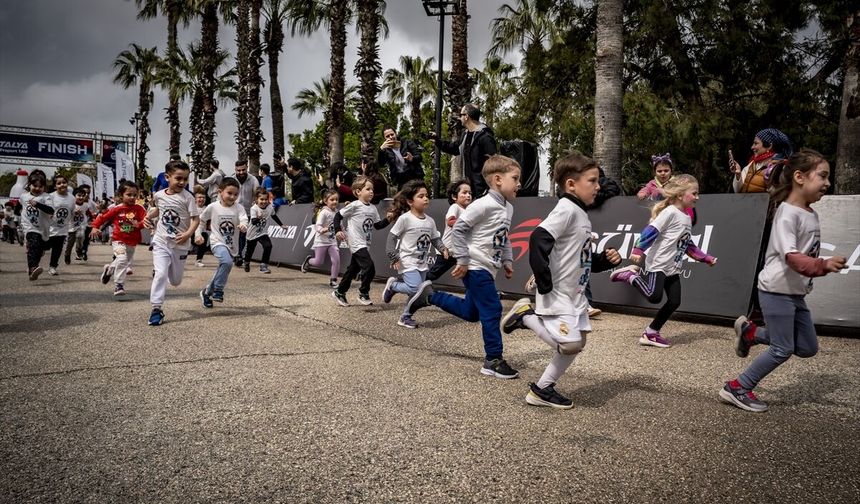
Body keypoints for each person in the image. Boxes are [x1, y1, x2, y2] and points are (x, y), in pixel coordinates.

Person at [720, 149, 847, 413]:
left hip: (794, 292)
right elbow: (792, 258)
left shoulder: (810, 213)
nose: (827, 183)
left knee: (807, 347)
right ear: (799, 177)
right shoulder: (787, 213)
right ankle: (737, 387)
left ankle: (750, 332)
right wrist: (822, 265)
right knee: (782, 348)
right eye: (822, 176)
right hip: (776, 290)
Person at [501, 153, 622, 409]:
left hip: (575, 294)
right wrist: (545, 282)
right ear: (571, 184)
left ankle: (542, 389)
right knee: (571, 343)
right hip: (558, 293)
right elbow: (538, 239)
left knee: (577, 344)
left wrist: (605, 261)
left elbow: (580, 259)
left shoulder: (581, 214)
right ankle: (525, 316)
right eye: (592, 181)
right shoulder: (566, 209)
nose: (598, 186)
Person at [405, 155, 521, 379]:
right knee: (493, 310)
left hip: (489, 267)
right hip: (476, 266)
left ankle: (430, 296)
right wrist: (464, 261)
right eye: (515, 178)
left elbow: (503, 238)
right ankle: (493, 360)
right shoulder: (482, 205)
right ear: (497, 179)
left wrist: (507, 260)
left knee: (471, 313)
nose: (519, 184)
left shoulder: (509, 209)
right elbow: (458, 231)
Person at [609, 174, 718, 348]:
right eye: (694, 193)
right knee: (654, 296)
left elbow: (687, 243)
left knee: (674, 301)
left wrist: (705, 257)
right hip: (659, 263)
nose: (697, 197)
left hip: (672, 266)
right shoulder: (669, 212)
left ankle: (651, 333)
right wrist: (639, 249)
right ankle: (629, 275)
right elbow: (651, 230)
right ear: (680, 195)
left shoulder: (687, 217)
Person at [381, 180, 447, 329]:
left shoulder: (430, 221)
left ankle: (405, 317)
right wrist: (393, 256)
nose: (426, 199)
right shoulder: (405, 219)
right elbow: (391, 238)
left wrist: (442, 248)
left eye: (427, 196)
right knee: (415, 288)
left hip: (422, 263)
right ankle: (393, 286)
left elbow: (434, 238)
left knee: (417, 294)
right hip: (407, 261)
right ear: (410, 201)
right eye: (421, 196)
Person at [143, 159, 200, 326]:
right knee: (160, 274)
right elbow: (159, 210)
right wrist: (147, 217)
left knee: (175, 281)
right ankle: (156, 308)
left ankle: (163, 272)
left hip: (180, 245)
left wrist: (188, 234)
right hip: (161, 241)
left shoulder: (188, 198)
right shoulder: (159, 195)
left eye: (185, 179)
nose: (182, 182)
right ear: (167, 177)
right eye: (178, 178)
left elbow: (196, 219)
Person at [330, 176, 390, 307]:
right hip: (356, 242)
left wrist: (389, 219)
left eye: (372, 189)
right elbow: (338, 215)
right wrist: (337, 230)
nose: (371, 192)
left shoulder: (373, 208)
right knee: (370, 268)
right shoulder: (354, 205)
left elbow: (377, 226)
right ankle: (363, 293)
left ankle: (340, 291)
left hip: (365, 243)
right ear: (358, 192)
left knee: (352, 270)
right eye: (368, 189)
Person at [196, 178, 248, 308]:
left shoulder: (239, 207)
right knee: (227, 262)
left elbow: (244, 219)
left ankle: (207, 292)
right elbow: (201, 221)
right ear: (220, 192)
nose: (232, 197)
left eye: (236, 194)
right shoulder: (213, 207)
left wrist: (243, 225)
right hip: (217, 241)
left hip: (231, 245)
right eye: (229, 193)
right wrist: (198, 234)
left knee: (224, 268)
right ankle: (218, 290)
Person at [90, 180, 147, 296]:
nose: (132, 197)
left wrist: (139, 224)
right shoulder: (117, 209)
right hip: (118, 240)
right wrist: (95, 227)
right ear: (121, 195)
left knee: (124, 261)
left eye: (135, 195)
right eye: (129, 195)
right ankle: (118, 285)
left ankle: (109, 269)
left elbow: (145, 220)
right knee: (121, 259)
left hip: (132, 241)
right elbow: (102, 217)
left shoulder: (139, 209)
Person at [431, 103, 497, 196]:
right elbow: (455, 148)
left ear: (466, 116)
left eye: (461, 115)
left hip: (482, 189)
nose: (459, 118)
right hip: (468, 187)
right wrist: (438, 141)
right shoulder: (465, 135)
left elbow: (494, 162)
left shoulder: (485, 136)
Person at [426, 179, 471, 282]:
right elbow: (450, 221)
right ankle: (416, 288)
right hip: (448, 251)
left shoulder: (469, 211)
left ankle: (478, 293)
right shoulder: (455, 207)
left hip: (460, 252)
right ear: (454, 197)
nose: (468, 195)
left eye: (470, 193)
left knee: (470, 273)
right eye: (464, 193)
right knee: (433, 274)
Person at [729, 128, 793, 194]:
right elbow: (737, 191)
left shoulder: (779, 166)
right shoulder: (751, 164)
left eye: (756, 143)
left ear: (769, 146)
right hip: (745, 203)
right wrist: (738, 174)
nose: (752, 147)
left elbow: (779, 194)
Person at [301, 189, 342, 288]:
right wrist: (321, 229)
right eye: (332, 200)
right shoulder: (324, 212)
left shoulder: (338, 213)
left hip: (332, 241)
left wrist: (343, 233)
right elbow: (317, 225)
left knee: (336, 259)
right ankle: (309, 260)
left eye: (336, 199)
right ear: (325, 201)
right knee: (318, 262)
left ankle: (333, 280)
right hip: (321, 241)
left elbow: (340, 225)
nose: (335, 202)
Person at [19, 170, 54, 280]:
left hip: (43, 228)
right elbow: (19, 208)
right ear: (29, 185)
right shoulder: (23, 196)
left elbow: (51, 210)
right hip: (29, 227)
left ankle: (33, 270)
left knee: (38, 250)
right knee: (33, 244)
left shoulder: (46, 197)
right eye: (35, 185)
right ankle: (32, 268)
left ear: (44, 187)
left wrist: (38, 204)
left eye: (40, 186)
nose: (37, 188)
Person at [244, 188, 286, 274]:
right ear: (256, 200)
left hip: (262, 232)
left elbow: (274, 216)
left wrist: (281, 225)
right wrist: (258, 218)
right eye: (261, 199)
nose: (264, 201)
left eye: (266, 199)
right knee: (250, 251)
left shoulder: (270, 207)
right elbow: (253, 221)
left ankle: (263, 266)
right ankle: (246, 262)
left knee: (268, 246)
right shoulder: (254, 209)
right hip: (252, 233)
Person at [46, 174, 76, 275]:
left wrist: (75, 214)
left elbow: (72, 212)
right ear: (55, 186)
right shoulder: (50, 196)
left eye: (64, 182)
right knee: (45, 246)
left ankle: (52, 267)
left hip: (62, 229)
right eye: (59, 183)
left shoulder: (72, 198)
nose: (62, 185)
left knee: (57, 249)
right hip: (49, 228)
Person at [234, 159, 259, 267]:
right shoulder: (231, 179)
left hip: (248, 212)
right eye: (238, 170)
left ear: (247, 168)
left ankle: (240, 255)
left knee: (243, 235)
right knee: (234, 235)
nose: (241, 172)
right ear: (235, 169)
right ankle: (235, 255)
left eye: (243, 170)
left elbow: (257, 195)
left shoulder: (253, 180)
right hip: (233, 212)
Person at [64, 188, 89, 264]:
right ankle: (67, 255)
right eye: (79, 195)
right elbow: (66, 214)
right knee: (70, 243)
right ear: (74, 196)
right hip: (72, 226)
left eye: (83, 196)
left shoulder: (85, 205)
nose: (81, 197)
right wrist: (73, 212)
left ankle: (79, 250)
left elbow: (88, 213)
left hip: (81, 225)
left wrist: (92, 217)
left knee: (81, 237)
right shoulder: (71, 205)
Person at [192, 186, 210, 267]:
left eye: (203, 198)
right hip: (190, 232)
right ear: (195, 199)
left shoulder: (207, 209)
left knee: (205, 236)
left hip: (201, 232)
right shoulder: (191, 208)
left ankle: (199, 260)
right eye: (199, 197)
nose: (201, 199)